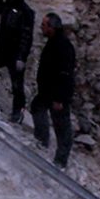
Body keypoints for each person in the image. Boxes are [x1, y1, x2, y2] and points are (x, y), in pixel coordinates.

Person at [30, 13, 75, 168]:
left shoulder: (63, 46)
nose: (41, 28)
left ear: (52, 27)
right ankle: (41, 144)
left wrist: (60, 99)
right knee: (36, 108)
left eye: (44, 25)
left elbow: (66, 74)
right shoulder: (54, 42)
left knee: (62, 128)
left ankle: (60, 162)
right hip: (47, 92)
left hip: (57, 95)